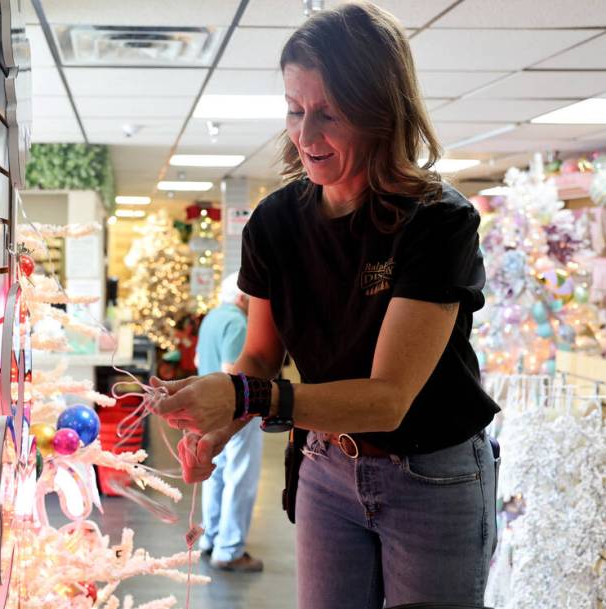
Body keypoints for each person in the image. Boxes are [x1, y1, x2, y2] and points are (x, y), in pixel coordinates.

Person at [149, 3, 501, 608]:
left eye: (329, 114)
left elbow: (387, 399)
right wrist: (218, 427)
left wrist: (244, 399)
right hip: (325, 468)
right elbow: (258, 356)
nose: (306, 136)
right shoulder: (276, 222)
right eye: (294, 109)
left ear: (380, 114)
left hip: (432, 476)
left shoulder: (438, 222)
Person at [194, 273, 263, 572]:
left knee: (216, 474)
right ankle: (230, 549)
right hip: (235, 412)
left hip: (209, 412)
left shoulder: (211, 318)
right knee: (241, 477)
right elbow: (233, 376)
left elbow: (199, 361)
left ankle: (209, 538)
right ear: (242, 297)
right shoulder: (237, 322)